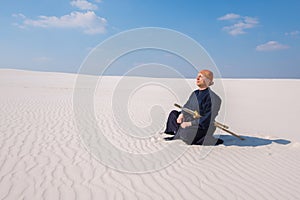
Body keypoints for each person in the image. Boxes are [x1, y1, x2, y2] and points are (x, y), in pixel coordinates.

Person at [164, 69, 223, 145]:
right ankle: (180, 131)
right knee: (174, 114)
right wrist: (182, 114)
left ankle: (204, 138)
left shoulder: (214, 98)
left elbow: (208, 118)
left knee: (186, 134)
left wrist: (189, 124)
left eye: (201, 77)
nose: (197, 78)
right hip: (189, 119)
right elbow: (187, 106)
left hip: (202, 125)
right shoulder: (195, 93)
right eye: (197, 76)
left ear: (208, 80)